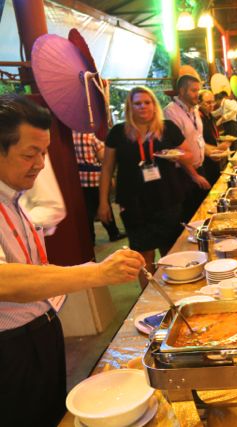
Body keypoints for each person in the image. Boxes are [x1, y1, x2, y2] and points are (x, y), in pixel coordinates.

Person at [0, 94, 146, 427]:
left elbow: (31, 268)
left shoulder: (13, 196)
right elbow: (4, 280)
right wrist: (97, 273)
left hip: (40, 331)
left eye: (44, 152)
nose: (40, 164)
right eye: (29, 154)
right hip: (10, 346)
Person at [98, 86, 204, 286]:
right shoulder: (118, 132)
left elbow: (188, 156)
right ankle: (149, 295)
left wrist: (178, 156)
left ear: (154, 106)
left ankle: (174, 290)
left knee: (171, 252)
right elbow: (107, 169)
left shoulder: (167, 128)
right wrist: (103, 202)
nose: (143, 107)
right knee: (143, 256)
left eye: (147, 102)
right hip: (134, 202)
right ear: (130, 107)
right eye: (137, 103)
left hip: (167, 198)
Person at [163, 75, 212, 221]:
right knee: (190, 216)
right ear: (182, 91)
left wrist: (211, 152)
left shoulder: (194, 109)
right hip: (183, 174)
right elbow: (176, 149)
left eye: (198, 90)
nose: (197, 94)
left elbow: (197, 138)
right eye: (193, 90)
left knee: (203, 213)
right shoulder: (171, 112)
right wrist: (193, 175)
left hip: (199, 168)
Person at [72, 131, 125, 244]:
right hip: (96, 179)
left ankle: (90, 239)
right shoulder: (90, 137)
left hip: (81, 180)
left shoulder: (70, 137)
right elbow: (103, 157)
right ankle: (113, 233)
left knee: (87, 212)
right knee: (104, 206)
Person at [198, 89, 230, 185]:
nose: (212, 105)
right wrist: (216, 148)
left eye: (213, 102)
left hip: (215, 155)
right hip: (204, 159)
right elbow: (198, 141)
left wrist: (220, 144)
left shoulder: (210, 115)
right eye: (208, 103)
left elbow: (213, 134)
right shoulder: (198, 117)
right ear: (199, 102)